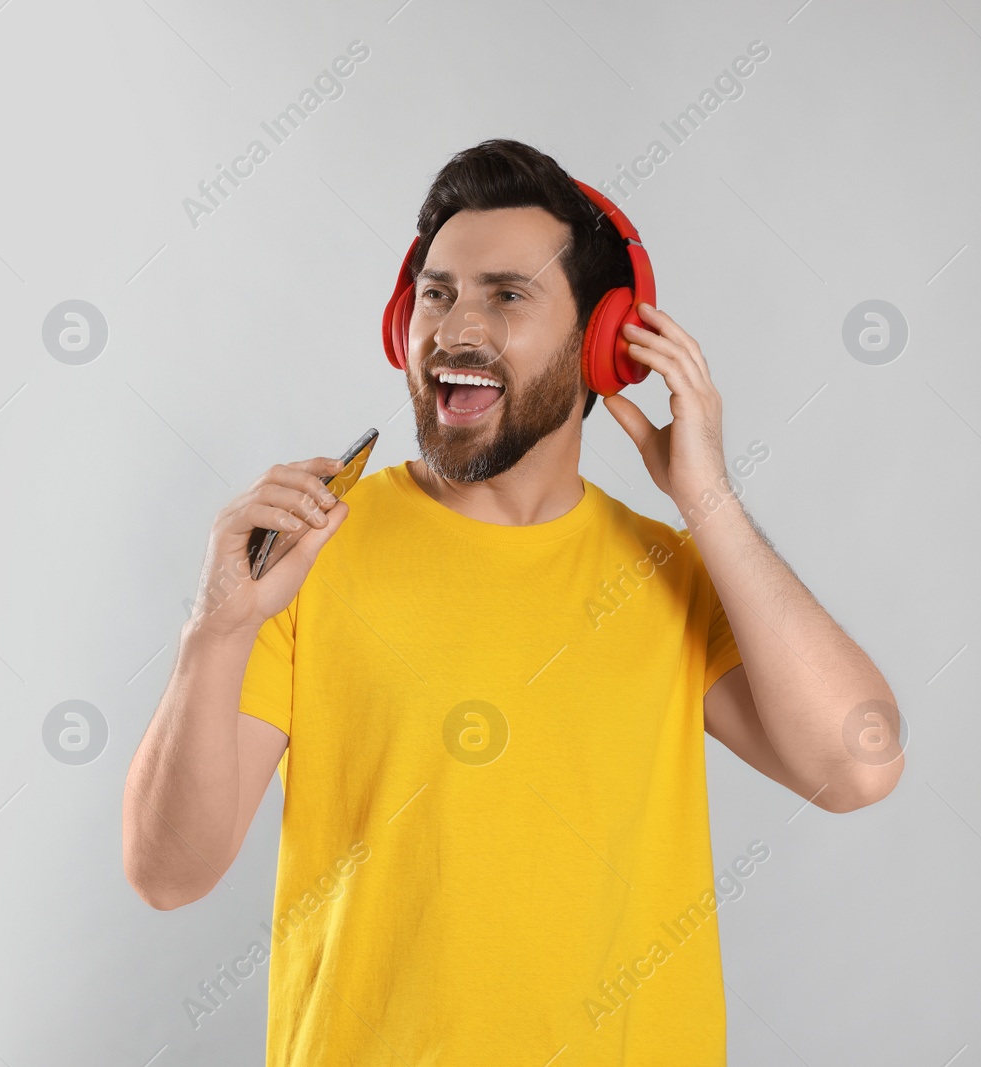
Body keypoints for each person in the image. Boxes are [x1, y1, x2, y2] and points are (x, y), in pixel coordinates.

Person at [122, 138, 904, 1065]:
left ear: (603, 343)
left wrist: (709, 502)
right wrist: (216, 630)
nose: (455, 327)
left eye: (506, 293)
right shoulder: (307, 557)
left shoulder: (669, 571)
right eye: (438, 292)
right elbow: (169, 875)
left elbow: (860, 765)